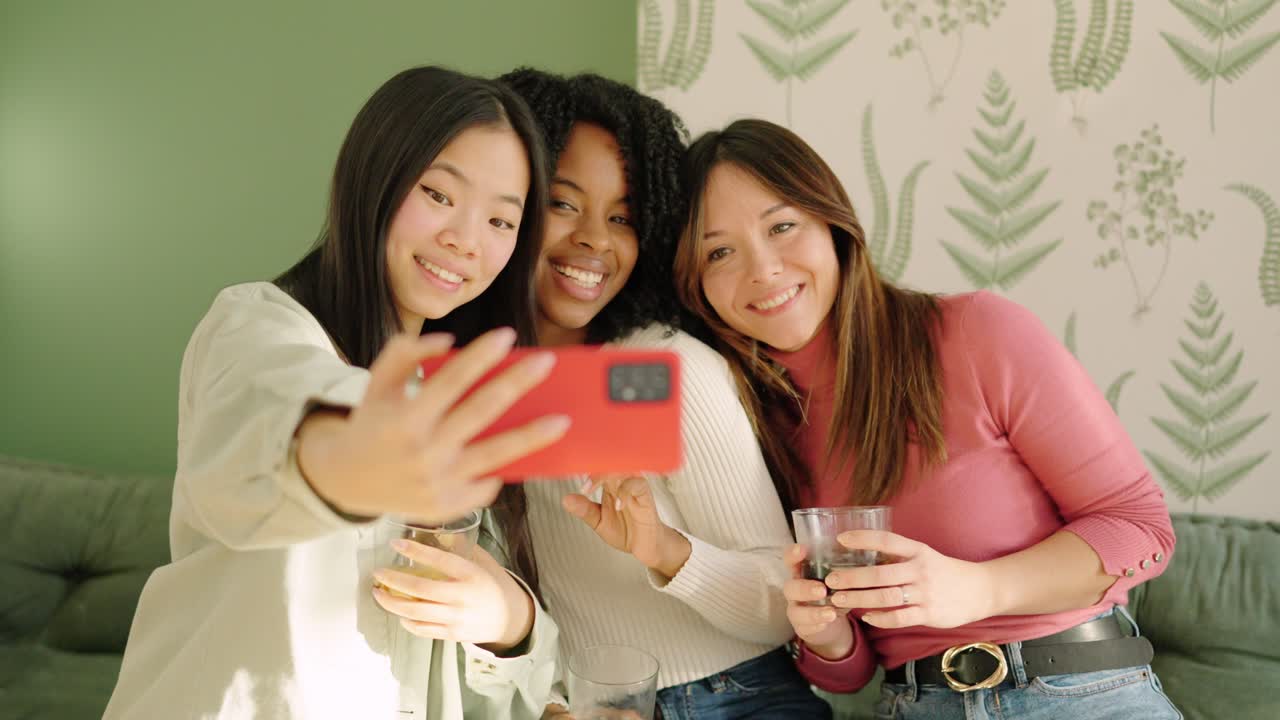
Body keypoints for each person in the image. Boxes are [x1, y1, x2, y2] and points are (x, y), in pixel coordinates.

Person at [672, 118, 1182, 719]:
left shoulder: (976, 333)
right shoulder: (752, 425)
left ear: (832, 226)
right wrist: (826, 636)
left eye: (782, 226)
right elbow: (852, 671)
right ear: (695, 283)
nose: (762, 268)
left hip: (1080, 693)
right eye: (720, 251)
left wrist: (978, 588)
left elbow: (1142, 530)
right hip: (914, 703)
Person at [104, 66, 568, 720]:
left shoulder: (459, 394)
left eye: (500, 219)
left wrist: (509, 618)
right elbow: (274, 419)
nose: (466, 240)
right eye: (438, 195)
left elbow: (519, 680)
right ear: (372, 178)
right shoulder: (256, 327)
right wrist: (347, 458)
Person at [498, 69, 831, 720]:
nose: (595, 239)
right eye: (563, 204)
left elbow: (781, 605)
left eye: (622, 216)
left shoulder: (656, 368)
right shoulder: (470, 377)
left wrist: (664, 550)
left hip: (735, 701)